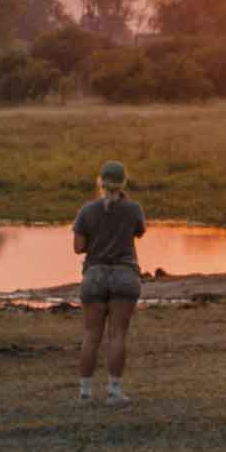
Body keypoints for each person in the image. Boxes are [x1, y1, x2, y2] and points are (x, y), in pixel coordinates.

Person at [71, 160, 144, 404]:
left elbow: (78, 247)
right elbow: (138, 233)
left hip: (94, 276)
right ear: (124, 182)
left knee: (91, 335)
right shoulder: (133, 209)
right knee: (118, 335)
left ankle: (85, 392)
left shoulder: (86, 210)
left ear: (100, 182)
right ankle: (113, 392)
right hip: (125, 275)